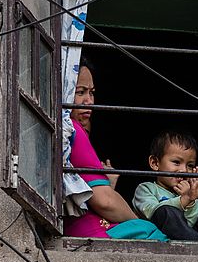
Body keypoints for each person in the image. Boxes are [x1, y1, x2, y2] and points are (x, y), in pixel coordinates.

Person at [63, 60, 168, 241]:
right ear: (64, 90)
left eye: (92, 93)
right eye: (80, 92)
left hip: (81, 233)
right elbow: (105, 202)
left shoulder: (59, 133)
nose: (89, 101)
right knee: (154, 235)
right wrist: (138, 222)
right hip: (94, 233)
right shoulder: (71, 129)